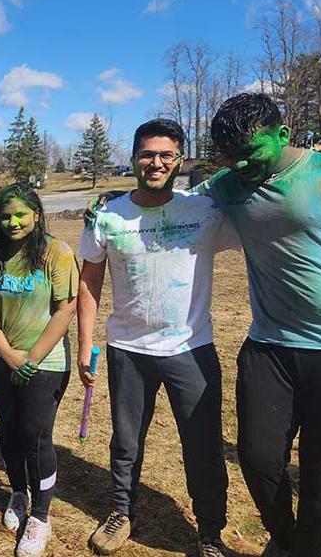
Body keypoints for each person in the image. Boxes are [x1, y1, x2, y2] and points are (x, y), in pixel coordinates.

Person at [77, 119, 235, 557]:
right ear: (133, 158)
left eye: (166, 154)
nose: (156, 162)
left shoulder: (204, 210)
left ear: (180, 160)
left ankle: (209, 531)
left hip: (191, 348)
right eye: (147, 153)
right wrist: (85, 343)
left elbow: (254, 199)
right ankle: (121, 513)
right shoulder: (107, 215)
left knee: (202, 443)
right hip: (128, 349)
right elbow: (88, 281)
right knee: (126, 442)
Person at [197, 94, 321, 557]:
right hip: (270, 345)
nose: (241, 162)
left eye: (251, 150)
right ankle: (287, 539)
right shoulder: (226, 184)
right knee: (258, 458)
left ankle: (313, 545)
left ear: (283, 134)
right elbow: (171, 207)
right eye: (229, 154)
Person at [0, 183, 79, 557]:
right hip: (3, 359)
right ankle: (18, 492)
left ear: (36, 215)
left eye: (21, 214)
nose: (13, 222)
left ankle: (40, 514)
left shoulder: (56, 251)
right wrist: (8, 354)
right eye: (5, 216)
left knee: (35, 435)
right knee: (9, 429)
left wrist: (32, 357)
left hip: (46, 360)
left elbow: (65, 309)